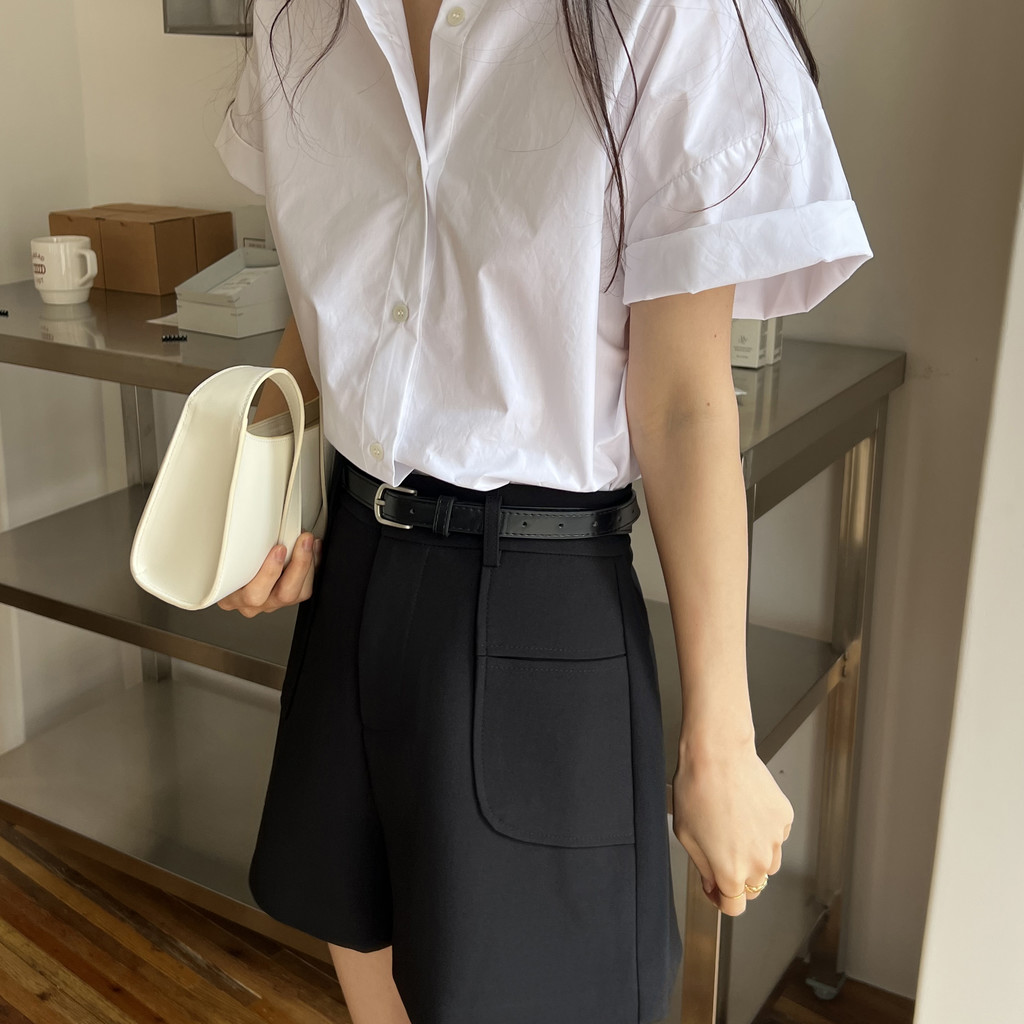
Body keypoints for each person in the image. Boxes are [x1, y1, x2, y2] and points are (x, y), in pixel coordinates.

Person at [213, 0, 872, 1020]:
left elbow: (683, 406)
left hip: (536, 595)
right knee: (366, 954)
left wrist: (721, 741)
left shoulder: (668, 14)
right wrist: (257, 491)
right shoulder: (297, 14)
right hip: (351, 572)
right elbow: (323, 301)